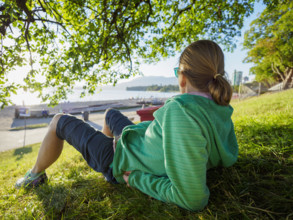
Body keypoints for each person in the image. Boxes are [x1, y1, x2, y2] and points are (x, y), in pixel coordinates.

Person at [15, 40, 238, 211]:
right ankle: (105, 164)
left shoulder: (181, 112)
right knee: (111, 113)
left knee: (58, 121)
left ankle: (35, 176)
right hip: (135, 142)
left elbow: (193, 198)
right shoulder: (220, 108)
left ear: (182, 78)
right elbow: (225, 153)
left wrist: (138, 179)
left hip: (124, 162)